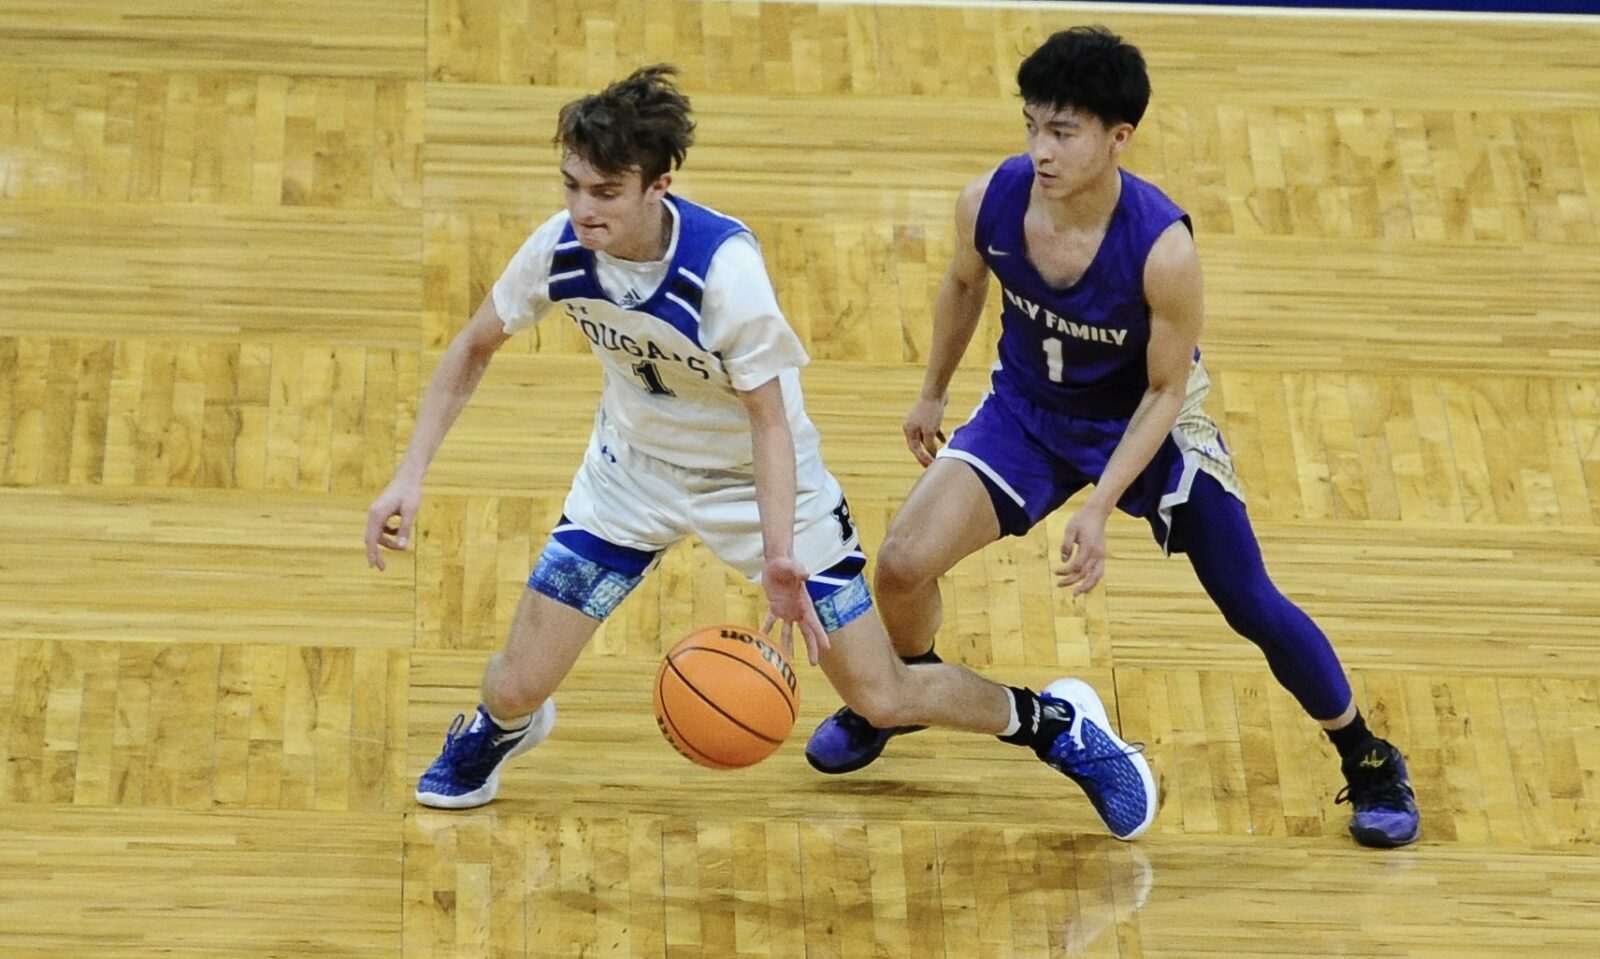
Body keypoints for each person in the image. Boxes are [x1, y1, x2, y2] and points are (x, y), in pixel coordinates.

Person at [364, 65, 1160, 840]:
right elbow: (473, 347)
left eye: (606, 192)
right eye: (571, 185)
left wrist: (780, 554)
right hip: (629, 479)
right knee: (512, 681)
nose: (582, 209)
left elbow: (770, 423)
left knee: (880, 694)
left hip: (765, 488)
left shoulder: (722, 273)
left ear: (657, 187)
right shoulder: (559, 250)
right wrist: (408, 476)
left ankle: (1056, 723)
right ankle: (503, 729)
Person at [802, 28, 1420, 849]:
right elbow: (961, 285)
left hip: (1149, 426)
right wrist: (930, 391)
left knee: (1248, 599)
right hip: (1028, 411)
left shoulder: (1164, 250)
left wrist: (1097, 507)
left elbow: (1166, 391)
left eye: (1063, 132)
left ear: (1118, 137)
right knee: (903, 565)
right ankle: (907, 692)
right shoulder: (990, 200)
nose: (1040, 150)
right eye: (1032, 126)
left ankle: (1369, 756)